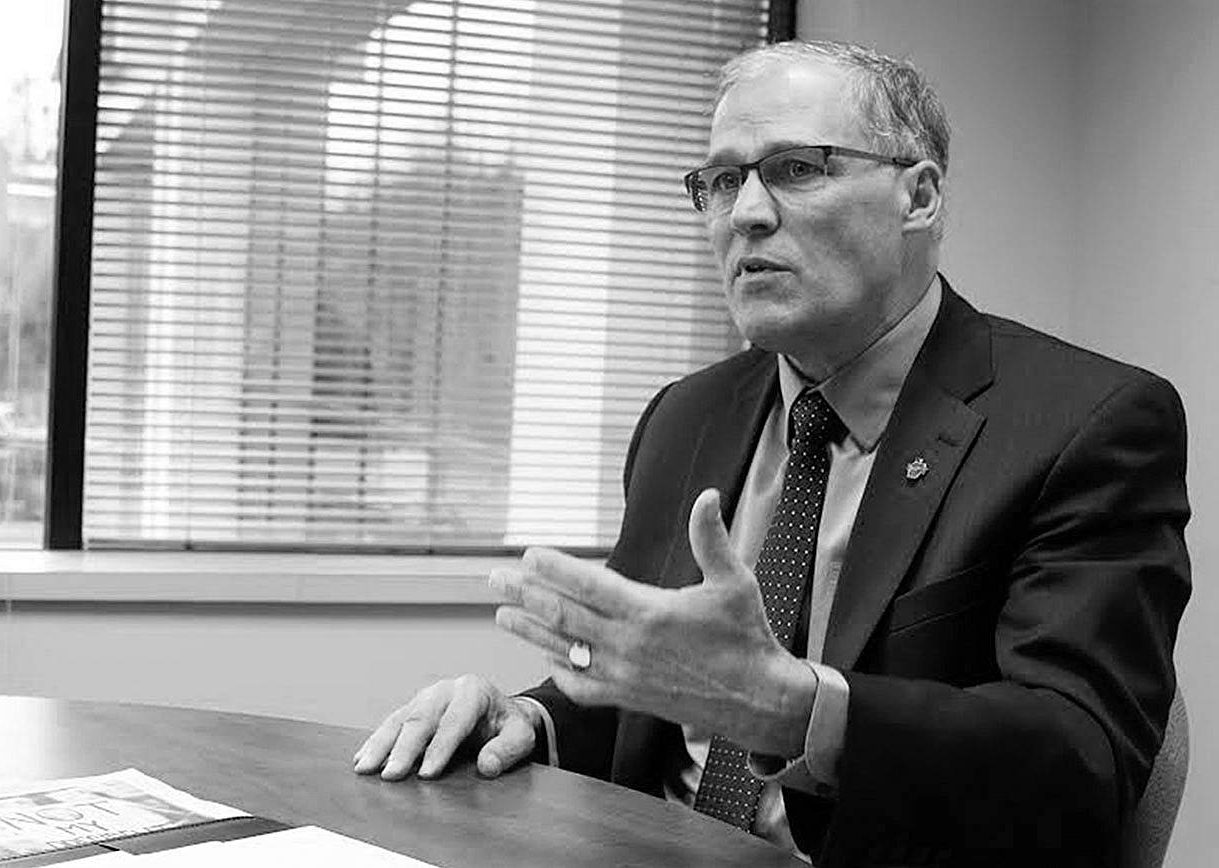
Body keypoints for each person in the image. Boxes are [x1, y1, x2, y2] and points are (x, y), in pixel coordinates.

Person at [353, 40, 1190, 868]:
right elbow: (656, 690)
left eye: (796, 169)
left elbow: (1082, 765)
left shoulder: (1087, 423)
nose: (744, 214)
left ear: (920, 197)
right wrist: (530, 722)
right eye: (721, 182)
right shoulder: (685, 417)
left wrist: (796, 712)